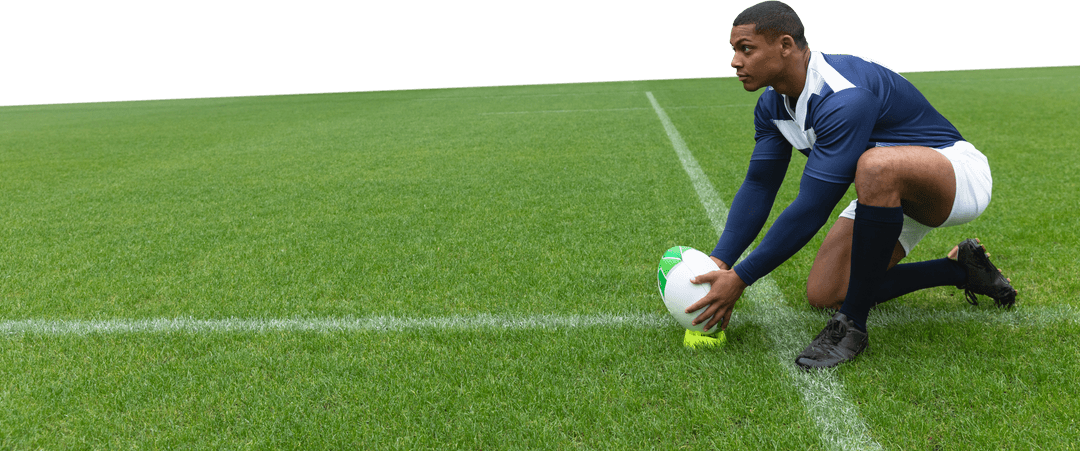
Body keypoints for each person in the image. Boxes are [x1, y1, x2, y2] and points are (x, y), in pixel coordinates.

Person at [684, 1, 1017, 370]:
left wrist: (741, 278)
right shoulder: (771, 106)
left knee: (874, 165)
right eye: (734, 50)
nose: (735, 61)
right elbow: (760, 186)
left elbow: (813, 207)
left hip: (954, 175)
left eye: (746, 49)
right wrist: (719, 263)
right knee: (826, 292)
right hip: (887, 192)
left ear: (785, 45)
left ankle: (851, 326)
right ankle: (961, 269)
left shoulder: (843, 94)